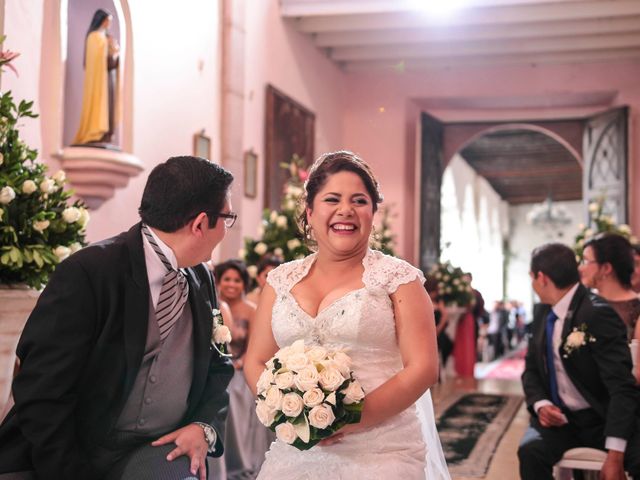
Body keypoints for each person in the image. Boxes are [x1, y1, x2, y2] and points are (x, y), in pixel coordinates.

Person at [0, 156, 235, 480]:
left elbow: (220, 363)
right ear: (199, 224)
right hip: (67, 451)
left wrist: (203, 425)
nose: (227, 227)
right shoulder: (88, 273)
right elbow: (41, 391)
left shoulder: (203, 279)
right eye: (227, 217)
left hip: (153, 451)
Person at [244, 150, 450, 479]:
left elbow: (423, 368)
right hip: (299, 447)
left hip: (380, 449)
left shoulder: (399, 281)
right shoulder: (280, 281)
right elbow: (255, 361)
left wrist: (351, 418)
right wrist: (287, 412)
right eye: (332, 199)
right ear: (309, 212)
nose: (346, 210)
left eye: (359, 200)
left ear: (372, 212)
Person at [518, 243, 640, 480]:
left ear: (541, 278)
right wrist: (541, 404)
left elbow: (621, 387)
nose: (532, 284)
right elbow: (531, 369)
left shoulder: (597, 313)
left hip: (602, 418)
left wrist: (615, 455)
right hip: (561, 422)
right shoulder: (543, 312)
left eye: (531, 278)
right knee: (531, 451)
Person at [213, 259, 273, 479]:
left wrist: (240, 364)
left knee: (234, 393)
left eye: (237, 280)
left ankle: (238, 463)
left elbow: (255, 347)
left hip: (241, 368)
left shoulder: (252, 310)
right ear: (219, 281)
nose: (231, 284)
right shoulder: (215, 306)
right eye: (227, 279)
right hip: (220, 367)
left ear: (243, 284)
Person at [579, 233, 640, 341]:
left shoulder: (636, 310)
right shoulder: (582, 303)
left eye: (586, 261)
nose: (580, 268)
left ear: (606, 268)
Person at [73, 8, 120, 145]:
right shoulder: (94, 37)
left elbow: (111, 59)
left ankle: (106, 134)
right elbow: (96, 60)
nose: (109, 24)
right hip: (98, 82)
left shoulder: (106, 38)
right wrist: (111, 49)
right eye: (107, 21)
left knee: (109, 107)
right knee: (99, 104)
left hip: (108, 80)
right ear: (101, 20)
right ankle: (95, 132)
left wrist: (115, 53)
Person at [424, 278, 454, 376]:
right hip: (426, 331)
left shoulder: (439, 301)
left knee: (447, 343)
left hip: (438, 330)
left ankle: (439, 370)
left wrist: (438, 329)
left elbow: (445, 316)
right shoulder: (423, 298)